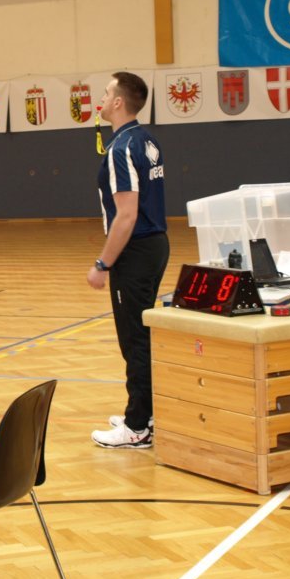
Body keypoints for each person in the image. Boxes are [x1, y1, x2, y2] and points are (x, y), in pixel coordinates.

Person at [87, 72, 169, 449]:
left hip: (135, 251)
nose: (101, 99)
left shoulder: (120, 149)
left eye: (106, 93)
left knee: (134, 340)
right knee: (141, 336)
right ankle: (145, 412)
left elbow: (126, 215)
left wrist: (102, 264)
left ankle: (137, 427)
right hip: (155, 245)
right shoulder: (146, 139)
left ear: (118, 102)